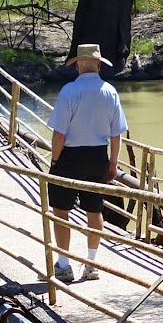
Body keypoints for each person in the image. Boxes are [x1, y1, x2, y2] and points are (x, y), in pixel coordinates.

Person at [45, 42, 128, 283]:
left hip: (70, 157)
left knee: (61, 210)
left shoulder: (69, 92)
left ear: (78, 66)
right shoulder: (110, 92)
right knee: (94, 209)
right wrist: (112, 164)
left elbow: (59, 134)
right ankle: (91, 265)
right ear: (100, 65)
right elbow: (116, 134)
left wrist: (55, 159)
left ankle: (63, 264)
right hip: (98, 157)